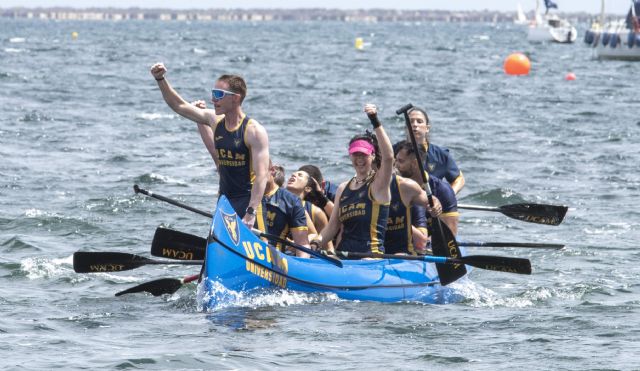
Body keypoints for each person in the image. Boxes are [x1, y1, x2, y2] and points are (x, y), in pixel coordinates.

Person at [150, 63, 269, 229]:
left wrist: (251, 211)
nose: (213, 99)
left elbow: (262, 176)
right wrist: (160, 79)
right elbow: (179, 105)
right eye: (213, 93)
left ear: (235, 98)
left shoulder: (254, 131)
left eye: (219, 94)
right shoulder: (214, 120)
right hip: (224, 201)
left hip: (248, 202)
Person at [311, 104, 393, 257]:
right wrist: (317, 242)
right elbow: (333, 226)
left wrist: (375, 120)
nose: (359, 159)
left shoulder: (378, 184)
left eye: (364, 155)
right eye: (355, 155)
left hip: (371, 257)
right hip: (344, 255)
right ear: (350, 156)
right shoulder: (343, 188)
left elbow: (388, 158)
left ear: (373, 155)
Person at [393, 140, 459, 237]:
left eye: (401, 161)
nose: (396, 166)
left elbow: (451, 233)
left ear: (415, 164)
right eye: (395, 160)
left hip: (430, 244)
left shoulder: (443, 190)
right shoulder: (391, 186)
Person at [257, 161, 311, 257]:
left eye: (258, 170)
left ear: (272, 171)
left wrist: (301, 265)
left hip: (273, 259)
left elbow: (302, 244)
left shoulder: (291, 201)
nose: (255, 175)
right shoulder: (242, 194)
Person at [406, 107, 465, 194]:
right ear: (406, 127)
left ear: (427, 128)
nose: (415, 124)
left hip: (432, 204)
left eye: (419, 121)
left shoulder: (441, 155)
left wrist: (449, 197)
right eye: (411, 121)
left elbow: (459, 179)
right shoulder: (395, 152)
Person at [286, 169, 333, 252]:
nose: (293, 175)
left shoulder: (316, 212)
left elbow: (328, 248)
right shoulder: (278, 201)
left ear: (307, 188)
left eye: (300, 175)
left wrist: (300, 243)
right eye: (293, 174)